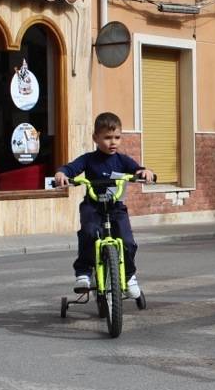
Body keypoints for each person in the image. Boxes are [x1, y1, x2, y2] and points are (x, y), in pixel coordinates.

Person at [54, 112, 154, 297]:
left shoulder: (122, 160)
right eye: (107, 138)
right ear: (95, 138)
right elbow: (70, 168)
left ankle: (129, 276)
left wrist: (144, 172)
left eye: (117, 137)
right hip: (93, 207)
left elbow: (137, 169)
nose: (113, 142)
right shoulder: (89, 159)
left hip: (116, 208)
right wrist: (62, 174)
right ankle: (84, 273)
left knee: (128, 242)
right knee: (89, 233)